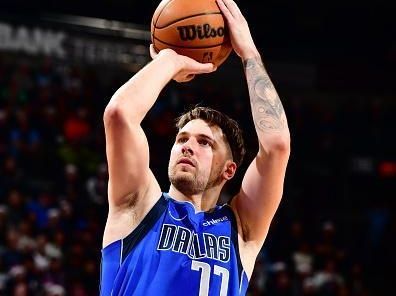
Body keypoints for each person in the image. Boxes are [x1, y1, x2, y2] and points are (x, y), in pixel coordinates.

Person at [100, 0, 290, 295]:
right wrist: (170, 60)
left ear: (229, 169)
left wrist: (249, 53)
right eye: (182, 139)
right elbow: (119, 115)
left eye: (204, 143)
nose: (187, 147)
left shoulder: (241, 230)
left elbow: (277, 146)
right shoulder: (139, 204)